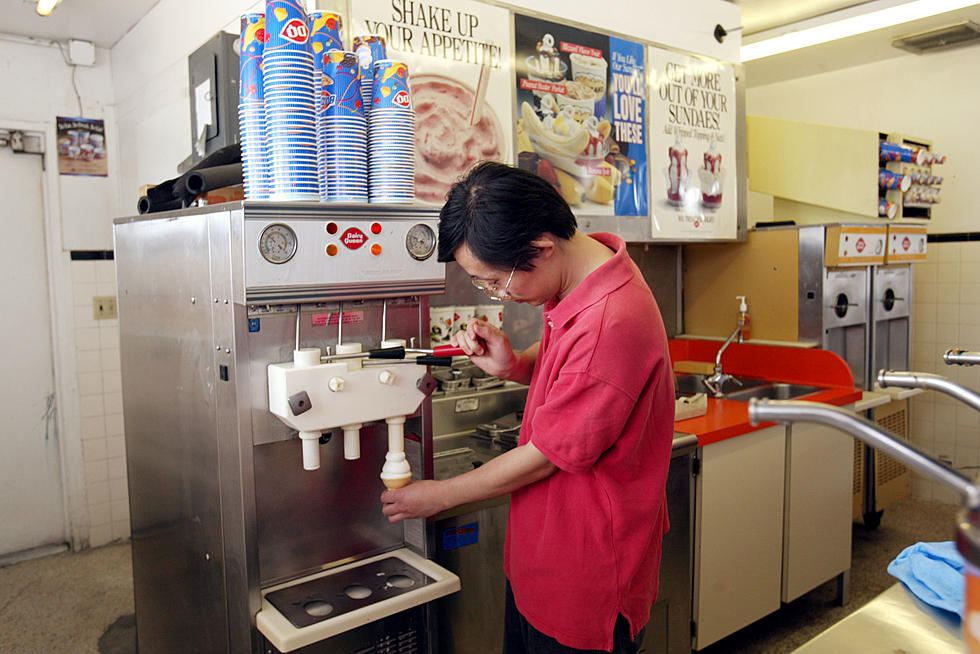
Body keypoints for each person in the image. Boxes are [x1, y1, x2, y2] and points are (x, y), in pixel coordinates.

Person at [380, 161, 675, 654]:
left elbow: (545, 454)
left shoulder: (612, 319)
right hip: (546, 557)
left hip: (587, 578)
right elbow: (575, 362)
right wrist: (516, 364)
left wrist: (442, 496)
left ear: (541, 248)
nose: (497, 294)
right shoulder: (592, 270)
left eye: (495, 281)